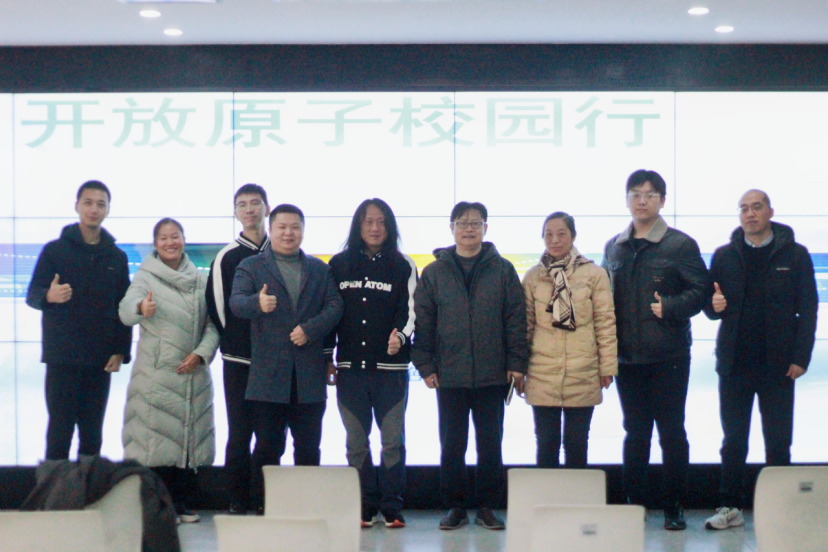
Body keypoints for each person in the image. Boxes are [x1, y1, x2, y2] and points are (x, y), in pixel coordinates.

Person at [702, 190, 817, 530]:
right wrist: (712, 307)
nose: (750, 214)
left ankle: (780, 509)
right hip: (735, 363)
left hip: (778, 364)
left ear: (770, 212)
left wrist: (801, 357)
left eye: (756, 207)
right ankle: (730, 507)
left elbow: (808, 309)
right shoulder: (724, 255)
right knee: (733, 441)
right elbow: (710, 304)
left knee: (778, 441)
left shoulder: (795, 254)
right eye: (744, 209)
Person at [602, 169, 711, 530]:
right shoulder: (614, 246)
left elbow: (701, 291)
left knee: (671, 432)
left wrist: (671, 306)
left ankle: (674, 505)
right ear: (627, 200)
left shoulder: (680, 245)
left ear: (662, 200)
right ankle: (634, 503)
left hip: (669, 356)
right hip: (627, 358)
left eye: (650, 194)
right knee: (635, 432)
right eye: (635, 194)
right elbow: (603, 299)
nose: (642, 200)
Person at [412, 201, 528, 531]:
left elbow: (515, 319)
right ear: (451, 229)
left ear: (485, 228)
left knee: (490, 445)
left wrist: (516, 363)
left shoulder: (502, 270)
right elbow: (424, 321)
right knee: (452, 445)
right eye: (462, 223)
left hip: (493, 373)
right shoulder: (435, 272)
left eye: (475, 223)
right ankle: (455, 507)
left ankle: (488, 507)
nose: (469, 229)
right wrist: (425, 365)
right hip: (450, 374)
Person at [230, 204, 343, 512]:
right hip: (268, 376)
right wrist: (257, 303)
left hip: (309, 375)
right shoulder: (252, 266)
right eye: (282, 227)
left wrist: (310, 329)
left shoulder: (319, 269)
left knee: (308, 448)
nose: (288, 233)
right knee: (268, 447)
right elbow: (236, 303)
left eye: (295, 227)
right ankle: (264, 506)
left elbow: (335, 306)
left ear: (303, 230)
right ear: (271, 229)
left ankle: (305, 507)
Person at [119, 217, 220, 523]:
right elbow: (125, 311)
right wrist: (141, 308)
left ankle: (182, 504)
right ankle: (159, 510)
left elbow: (212, 325)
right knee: (156, 444)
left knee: (186, 444)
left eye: (175, 236)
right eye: (163, 238)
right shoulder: (145, 277)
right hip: (157, 376)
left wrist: (201, 354)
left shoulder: (200, 280)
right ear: (155, 244)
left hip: (191, 373)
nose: (170, 242)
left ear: (183, 240)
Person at [324, 199, 418, 529]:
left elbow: (411, 312)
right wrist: (327, 357)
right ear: (358, 226)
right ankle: (363, 506)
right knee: (356, 443)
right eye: (368, 222)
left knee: (392, 442)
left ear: (390, 226)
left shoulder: (403, 265)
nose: (375, 228)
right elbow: (330, 313)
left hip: (391, 372)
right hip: (350, 370)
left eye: (381, 222)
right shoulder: (338, 265)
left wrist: (401, 337)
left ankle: (392, 506)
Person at [26, 180, 132, 465]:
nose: (94, 209)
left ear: (108, 210)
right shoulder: (54, 251)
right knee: (59, 433)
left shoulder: (116, 257)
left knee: (92, 435)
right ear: (77, 206)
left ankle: (89, 490)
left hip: (99, 360)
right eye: (88, 202)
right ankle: (55, 491)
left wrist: (120, 350)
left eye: (100, 204)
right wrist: (48, 296)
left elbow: (123, 307)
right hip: (62, 358)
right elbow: (32, 295)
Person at [522, 212, 617, 469]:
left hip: (582, 371)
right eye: (548, 234)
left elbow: (605, 323)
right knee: (546, 443)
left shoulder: (594, 274)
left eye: (561, 234)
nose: (554, 240)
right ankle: (547, 495)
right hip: (542, 372)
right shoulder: (532, 277)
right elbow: (525, 328)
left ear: (573, 236)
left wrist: (607, 367)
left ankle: (576, 495)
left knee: (576, 443)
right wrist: (518, 369)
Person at [206, 184, 276, 515]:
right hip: (238, 359)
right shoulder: (227, 256)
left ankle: (264, 498)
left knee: (269, 435)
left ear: (267, 208)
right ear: (235, 212)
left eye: (255, 203)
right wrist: (235, 342)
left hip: (275, 360)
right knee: (239, 432)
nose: (249, 209)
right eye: (242, 204)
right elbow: (218, 308)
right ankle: (237, 498)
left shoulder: (281, 251)